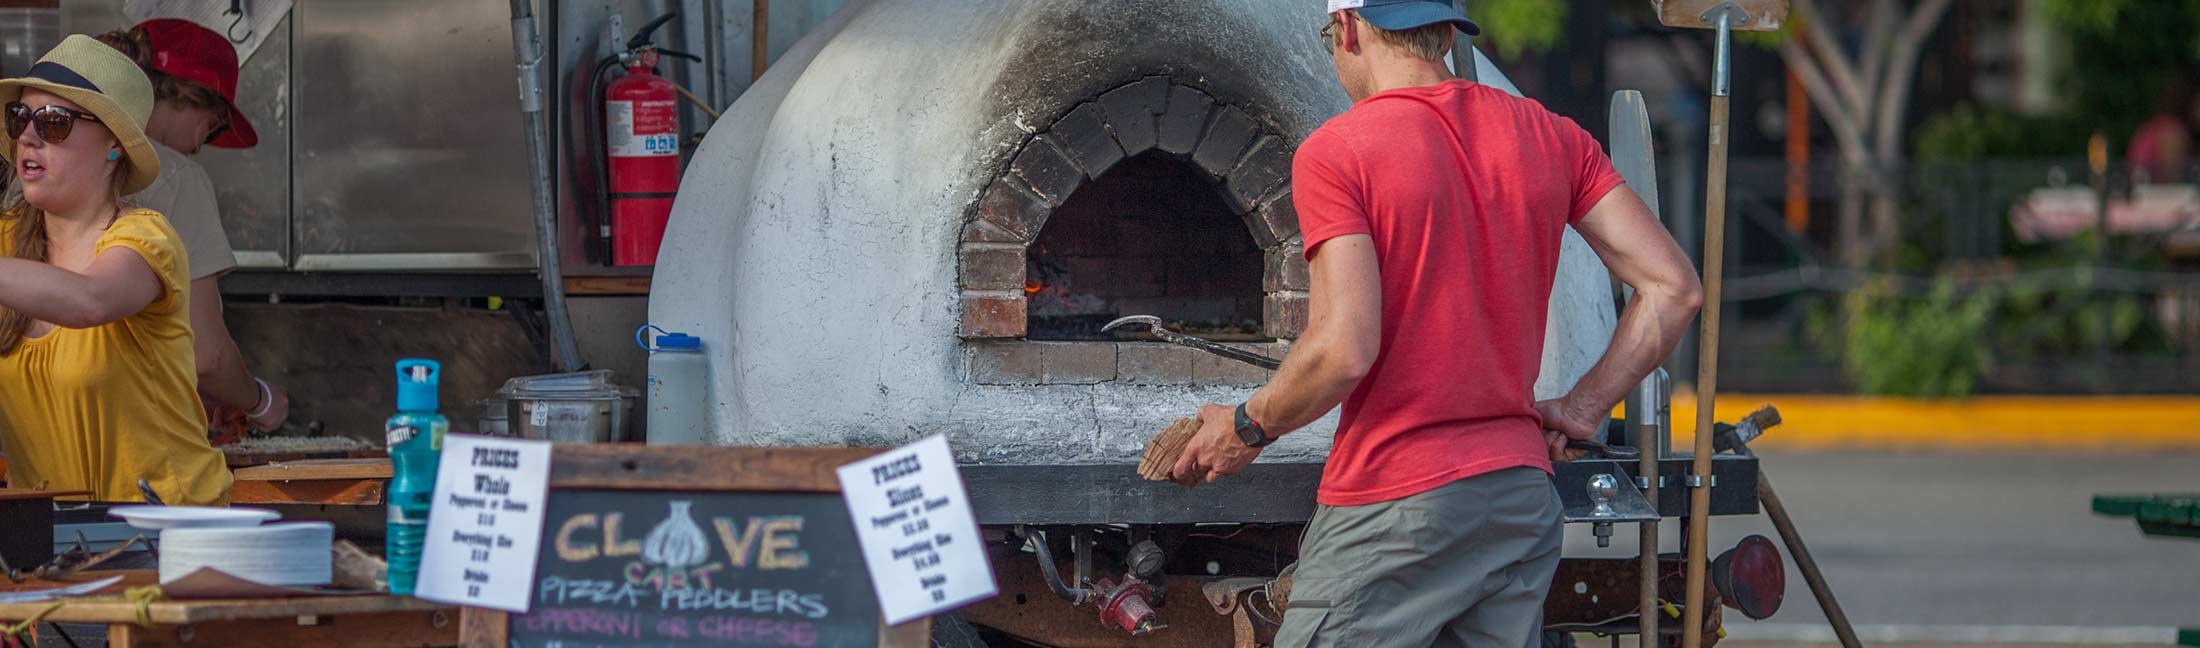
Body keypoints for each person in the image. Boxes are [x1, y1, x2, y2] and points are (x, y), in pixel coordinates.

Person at [1168, 1, 1703, 646]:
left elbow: (1343, 348)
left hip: (1398, 507)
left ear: (1347, 29)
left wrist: (1248, 427)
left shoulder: (1338, 153)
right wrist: (1582, 407)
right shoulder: (1551, 135)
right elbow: (1673, 288)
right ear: (1447, 33)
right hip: (1519, 503)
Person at [0, 35, 233, 505]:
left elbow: (91, 300)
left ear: (114, 145)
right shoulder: (6, 243)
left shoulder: (147, 238)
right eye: (20, 117)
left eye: (54, 123)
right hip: (54, 546)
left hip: (169, 533)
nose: (28, 134)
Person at [95, 20, 288, 436]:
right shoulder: (181, 177)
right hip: (139, 445)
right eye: (214, 123)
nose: (204, 143)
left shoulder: (54, 168)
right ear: (185, 96)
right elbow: (206, 356)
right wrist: (259, 400)